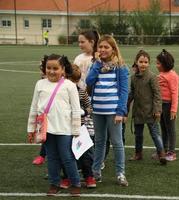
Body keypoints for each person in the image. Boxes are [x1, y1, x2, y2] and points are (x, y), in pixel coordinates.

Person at [27, 54, 81, 197]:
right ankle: (54, 183)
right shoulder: (40, 84)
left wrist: (76, 129)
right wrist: (31, 128)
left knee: (67, 156)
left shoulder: (69, 85)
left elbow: (76, 109)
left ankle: (75, 183)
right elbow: (34, 107)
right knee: (51, 157)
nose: (51, 71)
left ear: (63, 69)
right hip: (46, 129)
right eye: (48, 68)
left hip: (65, 129)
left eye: (55, 68)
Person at [85, 34, 129, 186]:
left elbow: (124, 91)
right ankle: (96, 171)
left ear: (113, 49)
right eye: (100, 47)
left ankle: (120, 173)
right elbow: (88, 81)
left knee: (117, 142)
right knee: (99, 141)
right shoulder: (96, 64)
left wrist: (120, 111)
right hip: (98, 110)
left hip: (113, 111)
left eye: (106, 47)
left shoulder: (121, 67)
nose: (102, 50)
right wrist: (97, 64)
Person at [60, 64, 96, 189]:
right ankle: (66, 177)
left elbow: (89, 107)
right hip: (65, 128)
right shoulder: (61, 92)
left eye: (76, 80)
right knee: (67, 155)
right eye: (71, 80)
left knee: (84, 154)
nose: (73, 83)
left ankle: (89, 177)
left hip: (80, 128)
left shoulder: (81, 92)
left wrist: (84, 112)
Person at [128, 50, 167, 165]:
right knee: (138, 135)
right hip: (138, 111)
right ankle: (138, 154)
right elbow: (132, 93)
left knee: (155, 134)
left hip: (151, 111)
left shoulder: (152, 77)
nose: (143, 64)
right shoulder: (133, 77)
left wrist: (157, 110)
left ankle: (161, 154)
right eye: (141, 62)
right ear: (136, 62)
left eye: (146, 62)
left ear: (149, 63)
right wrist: (126, 105)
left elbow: (157, 95)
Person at [156, 49, 179, 161]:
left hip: (169, 106)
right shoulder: (161, 74)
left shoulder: (172, 75)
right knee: (163, 128)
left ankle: (172, 152)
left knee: (170, 129)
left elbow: (175, 93)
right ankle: (163, 151)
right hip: (161, 105)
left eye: (158, 63)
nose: (156, 65)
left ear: (165, 64)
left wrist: (173, 109)